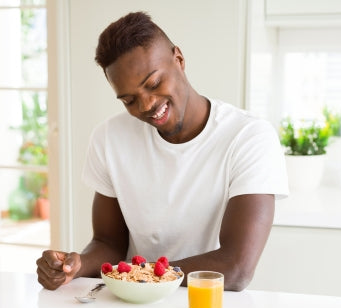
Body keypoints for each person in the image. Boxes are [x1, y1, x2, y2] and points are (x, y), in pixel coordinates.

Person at [36, 11, 288, 291]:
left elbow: (236, 267)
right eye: (129, 100)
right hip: (132, 303)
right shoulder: (109, 139)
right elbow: (108, 243)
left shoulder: (248, 137)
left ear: (178, 59)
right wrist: (78, 265)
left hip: (208, 305)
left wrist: (138, 278)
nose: (146, 105)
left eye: (154, 84)